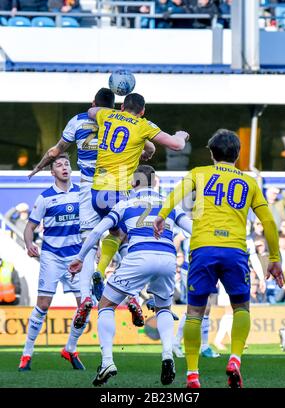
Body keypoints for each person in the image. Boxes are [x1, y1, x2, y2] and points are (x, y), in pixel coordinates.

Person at [154, 128, 284, 388]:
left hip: (203, 249)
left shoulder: (198, 174)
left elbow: (174, 197)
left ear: (212, 154)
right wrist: (274, 257)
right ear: (237, 155)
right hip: (234, 251)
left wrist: (160, 215)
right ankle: (235, 358)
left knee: (194, 313)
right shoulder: (249, 182)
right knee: (241, 308)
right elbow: (268, 221)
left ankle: (193, 375)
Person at [68, 165, 193, 387]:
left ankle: (107, 361)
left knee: (106, 305)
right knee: (164, 308)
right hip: (167, 258)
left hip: (138, 256)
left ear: (133, 183)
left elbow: (98, 231)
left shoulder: (124, 203)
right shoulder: (169, 203)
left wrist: (79, 256)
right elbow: (192, 228)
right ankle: (167, 355)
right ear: (155, 182)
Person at [80, 92, 189, 327]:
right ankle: (125, 287)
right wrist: (181, 134)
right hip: (119, 191)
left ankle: (116, 283)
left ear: (121, 107)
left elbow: (91, 112)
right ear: (142, 111)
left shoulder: (107, 115)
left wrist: (103, 113)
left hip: (97, 191)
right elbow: (177, 145)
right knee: (137, 238)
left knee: (118, 234)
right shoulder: (143, 125)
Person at [27, 88, 120, 328]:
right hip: (114, 185)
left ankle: (86, 294)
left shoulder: (78, 121)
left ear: (93, 104)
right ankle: (127, 292)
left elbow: (55, 150)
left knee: (87, 239)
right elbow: (146, 150)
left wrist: (39, 166)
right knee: (121, 235)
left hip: (89, 188)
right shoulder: (119, 122)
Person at [18, 153, 86, 372]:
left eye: (67, 164)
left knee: (85, 306)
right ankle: (26, 354)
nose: (64, 167)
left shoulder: (82, 194)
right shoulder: (45, 198)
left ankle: (70, 348)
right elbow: (29, 228)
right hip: (52, 256)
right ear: (52, 172)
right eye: (59, 165)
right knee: (44, 305)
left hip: (76, 257)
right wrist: (29, 244)